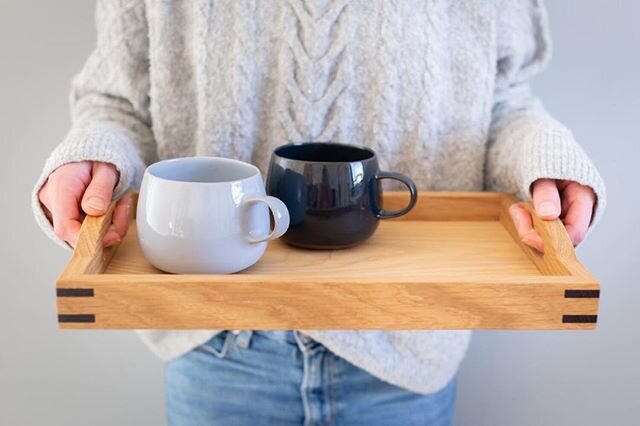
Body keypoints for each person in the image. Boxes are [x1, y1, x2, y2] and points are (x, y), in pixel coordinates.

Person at [33, 1, 605, 425]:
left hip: (407, 347)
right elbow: (117, 101)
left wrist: (545, 159)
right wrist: (92, 156)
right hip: (216, 342)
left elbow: (504, 101)